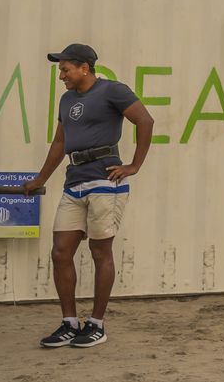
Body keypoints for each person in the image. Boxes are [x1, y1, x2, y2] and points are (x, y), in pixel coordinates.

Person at [26, 43, 154, 349]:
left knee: (100, 252)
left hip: (105, 182)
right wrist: (40, 179)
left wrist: (134, 165)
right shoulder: (67, 99)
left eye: (65, 69)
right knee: (61, 252)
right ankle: (69, 323)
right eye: (61, 71)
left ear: (85, 68)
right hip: (75, 182)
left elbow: (145, 121)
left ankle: (96, 324)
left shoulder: (113, 91)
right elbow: (60, 143)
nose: (62, 76)